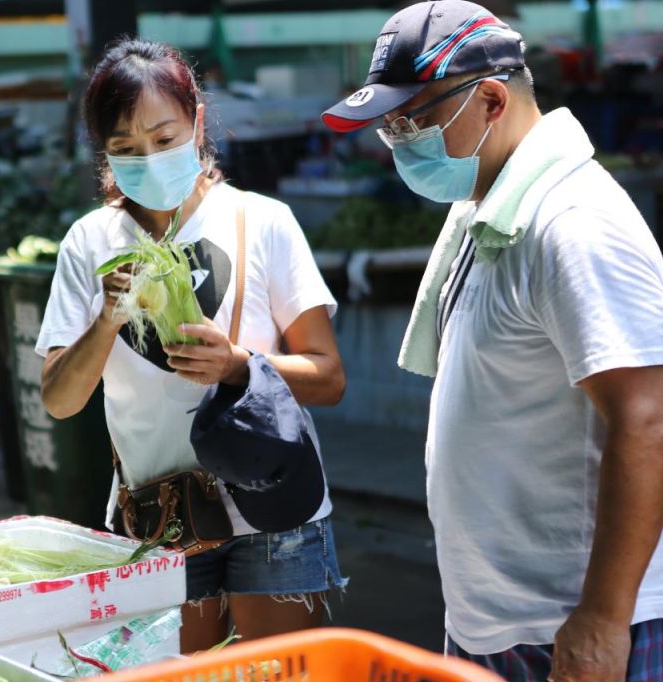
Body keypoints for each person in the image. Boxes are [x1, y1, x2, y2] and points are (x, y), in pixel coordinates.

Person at [323, 2, 663, 681]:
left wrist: (601, 619)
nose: (397, 139)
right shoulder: (488, 207)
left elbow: (647, 419)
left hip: (567, 621)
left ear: (489, 99)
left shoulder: (571, 223)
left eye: (412, 118)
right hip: (497, 619)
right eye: (389, 124)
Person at [36, 38, 347, 653]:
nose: (148, 159)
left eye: (164, 137)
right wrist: (106, 319)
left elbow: (328, 375)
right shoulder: (89, 242)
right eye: (125, 149)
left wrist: (239, 367)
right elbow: (60, 400)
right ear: (104, 152)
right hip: (159, 518)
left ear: (198, 121)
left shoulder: (264, 221)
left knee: (281, 672)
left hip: (276, 510)